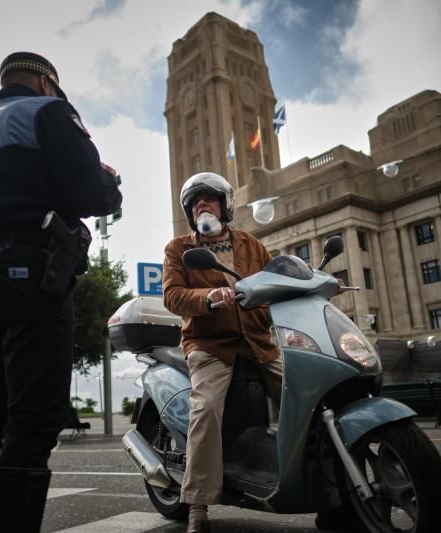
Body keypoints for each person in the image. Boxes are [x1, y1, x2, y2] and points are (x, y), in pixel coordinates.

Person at [0, 51, 122, 533]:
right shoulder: (51, 113)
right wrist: (109, 181)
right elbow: (90, 194)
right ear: (46, 83)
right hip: (28, 263)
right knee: (34, 414)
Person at [162, 172, 282, 533]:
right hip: (210, 344)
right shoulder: (179, 249)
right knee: (207, 408)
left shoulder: (251, 244)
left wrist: (317, 284)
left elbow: (277, 279)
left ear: (225, 206)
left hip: (259, 340)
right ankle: (197, 504)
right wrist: (208, 299)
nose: (202, 205)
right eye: (195, 202)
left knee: (308, 393)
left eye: (209, 199)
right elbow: (172, 296)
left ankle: (330, 485)